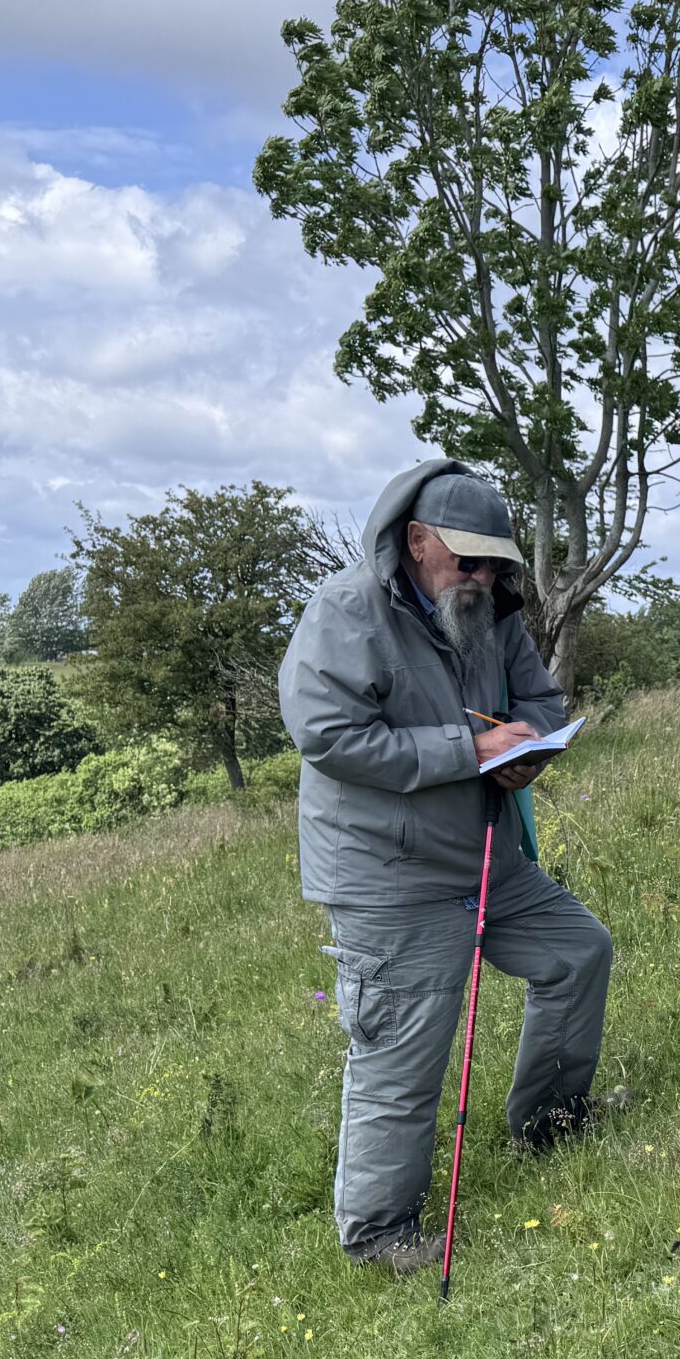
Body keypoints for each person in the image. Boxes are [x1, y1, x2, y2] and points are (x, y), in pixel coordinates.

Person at [279, 459, 616, 1273]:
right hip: (389, 875)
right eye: (468, 560)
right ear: (416, 540)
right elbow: (327, 735)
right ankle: (380, 1235)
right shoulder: (346, 612)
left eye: (495, 561)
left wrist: (526, 750)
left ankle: (549, 1124)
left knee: (578, 952)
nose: (483, 575)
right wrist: (469, 750)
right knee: (404, 1055)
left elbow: (540, 701)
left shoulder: (491, 610)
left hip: (487, 853)